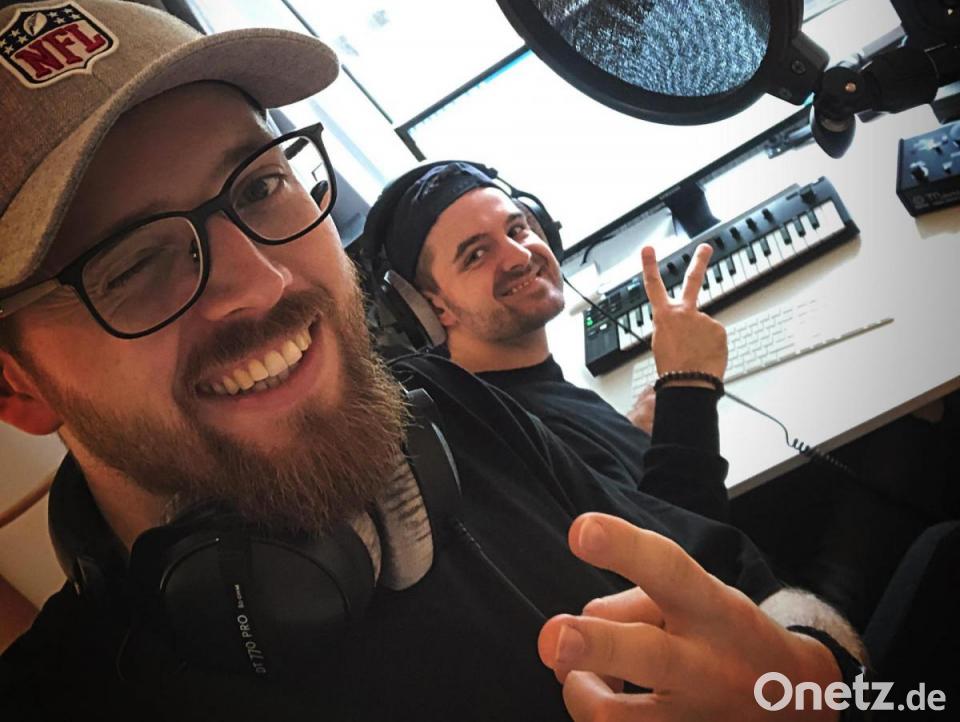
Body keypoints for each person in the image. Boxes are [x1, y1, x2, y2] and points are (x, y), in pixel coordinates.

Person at [0, 2, 863, 720]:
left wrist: (810, 680)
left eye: (260, 186)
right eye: (132, 265)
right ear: (17, 385)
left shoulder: (444, 405)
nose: (262, 283)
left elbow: (736, 584)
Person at [368, 162, 730, 521]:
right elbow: (694, 545)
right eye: (476, 254)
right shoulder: (508, 444)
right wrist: (688, 387)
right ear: (432, 308)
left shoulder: (529, 390)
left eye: (516, 229)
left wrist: (626, 440)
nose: (520, 255)